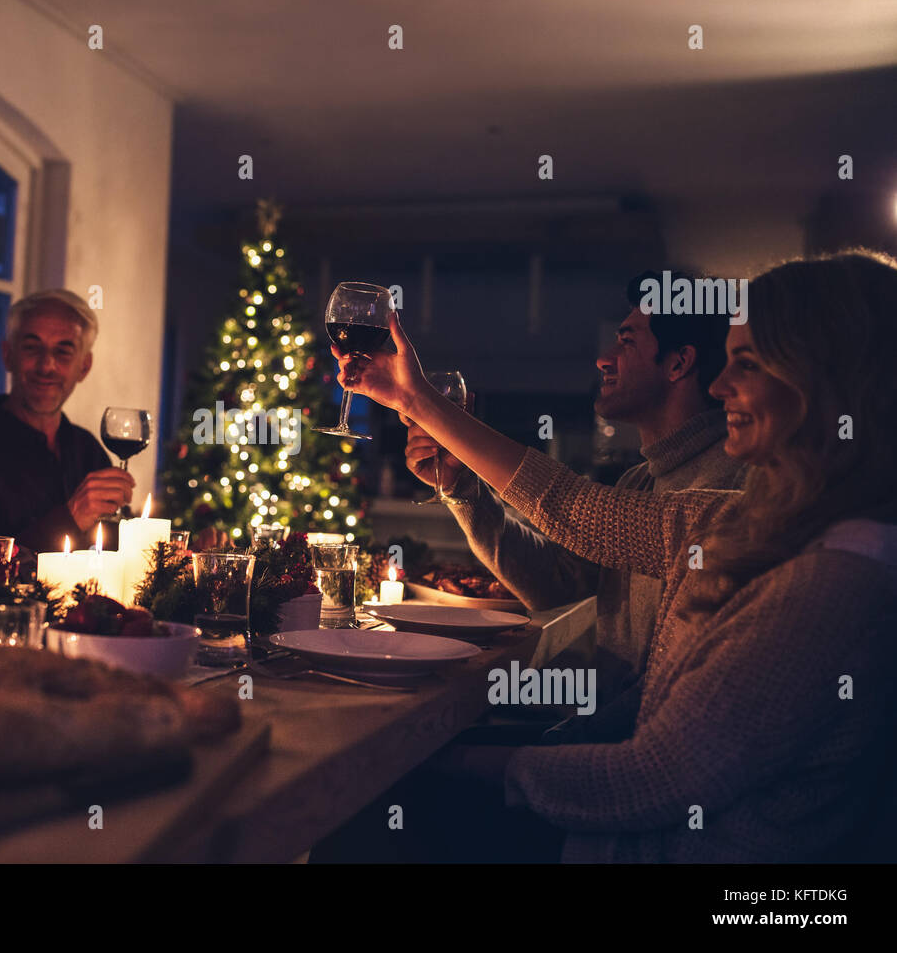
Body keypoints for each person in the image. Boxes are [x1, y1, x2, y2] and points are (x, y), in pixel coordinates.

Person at [327, 250, 897, 862]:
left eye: (749, 363)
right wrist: (433, 436)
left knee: (370, 817)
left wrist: (454, 764)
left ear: (827, 380)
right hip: (615, 803)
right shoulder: (749, 519)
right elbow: (573, 513)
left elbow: (651, 778)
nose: (719, 385)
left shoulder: (830, 583)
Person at [405, 272, 745, 707]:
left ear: (679, 364)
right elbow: (556, 583)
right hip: (596, 730)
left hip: (622, 750)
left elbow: (573, 507)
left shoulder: (732, 483)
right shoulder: (640, 480)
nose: (604, 360)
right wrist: (461, 489)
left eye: (626, 343)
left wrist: (420, 402)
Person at [0, 289, 135, 553]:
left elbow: (119, 550)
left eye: (63, 352)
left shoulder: (88, 449)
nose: (47, 365)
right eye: (32, 348)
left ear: (84, 367)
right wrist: (70, 517)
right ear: (8, 355)